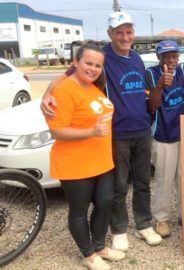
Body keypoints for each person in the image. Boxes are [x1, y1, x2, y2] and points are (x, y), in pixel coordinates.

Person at [41, 11, 162, 251]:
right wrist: (46, 94)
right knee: (118, 185)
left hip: (142, 130)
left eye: (128, 32)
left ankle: (143, 224)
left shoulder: (137, 58)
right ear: (110, 34)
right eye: (119, 32)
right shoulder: (101, 57)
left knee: (142, 182)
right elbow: (67, 75)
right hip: (116, 133)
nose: (125, 37)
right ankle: (119, 229)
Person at [45, 43, 126, 270]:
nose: (93, 68)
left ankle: (99, 246)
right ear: (75, 63)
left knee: (105, 203)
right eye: (88, 63)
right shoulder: (64, 90)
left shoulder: (93, 87)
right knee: (79, 211)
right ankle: (88, 254)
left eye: (98, 65)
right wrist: (91, 132)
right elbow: (56, 131)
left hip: (101, 162)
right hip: (75, 164)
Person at [145, 40, 184, 237]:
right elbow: (151, 107)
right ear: (159, 57)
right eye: (167, 56)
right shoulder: (150, 74)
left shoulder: (182, 69)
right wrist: (161, 85)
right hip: (163, 135)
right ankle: (162, 219)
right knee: (164, 178)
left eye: (174, 56)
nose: (172, 60)